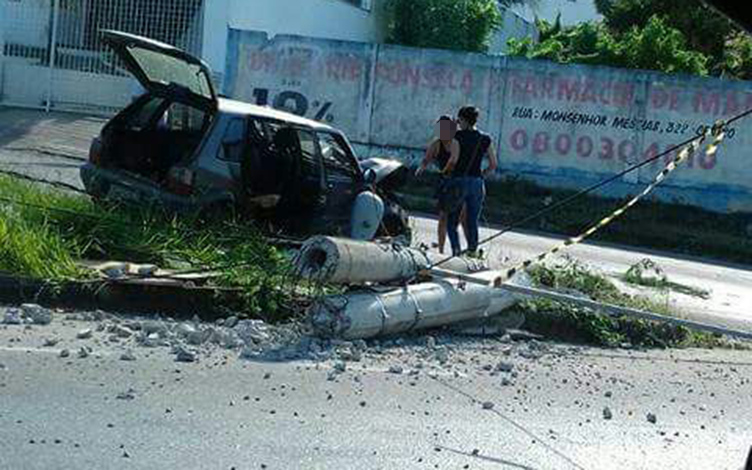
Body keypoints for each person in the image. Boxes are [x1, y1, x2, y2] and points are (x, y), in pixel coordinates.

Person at [442, 106, 497, 257]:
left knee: (452, 221)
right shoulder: (485, 138)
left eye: (459, 119)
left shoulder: (457, 136)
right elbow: (493, 164)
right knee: (472, 221)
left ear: (463, 119)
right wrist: (481, 175)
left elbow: (453, 160)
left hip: (458, 181)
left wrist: (445, 174)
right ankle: (472, 252)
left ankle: (456, 252)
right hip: (477, 182)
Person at [416, 115, 465, 254]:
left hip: (459, 181)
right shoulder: (436, 143)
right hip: (445, 184)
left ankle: (459, 248)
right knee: (443, 216)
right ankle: (442, 250)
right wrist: (421, 169)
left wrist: (443, 172)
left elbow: (453, 161)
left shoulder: (455, 142)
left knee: (459, 218)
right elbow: (427, 159)